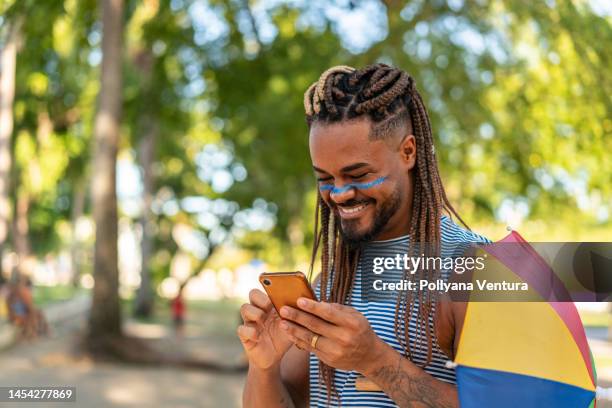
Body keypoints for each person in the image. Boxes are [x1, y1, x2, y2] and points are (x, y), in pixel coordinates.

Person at [238, 64, 490, 407]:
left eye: (357, 174)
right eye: (325, 178)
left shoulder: (473, 266)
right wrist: (263, 366)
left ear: (408, 152)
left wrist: (376, 361)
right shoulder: (332, 279)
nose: (339, 194)